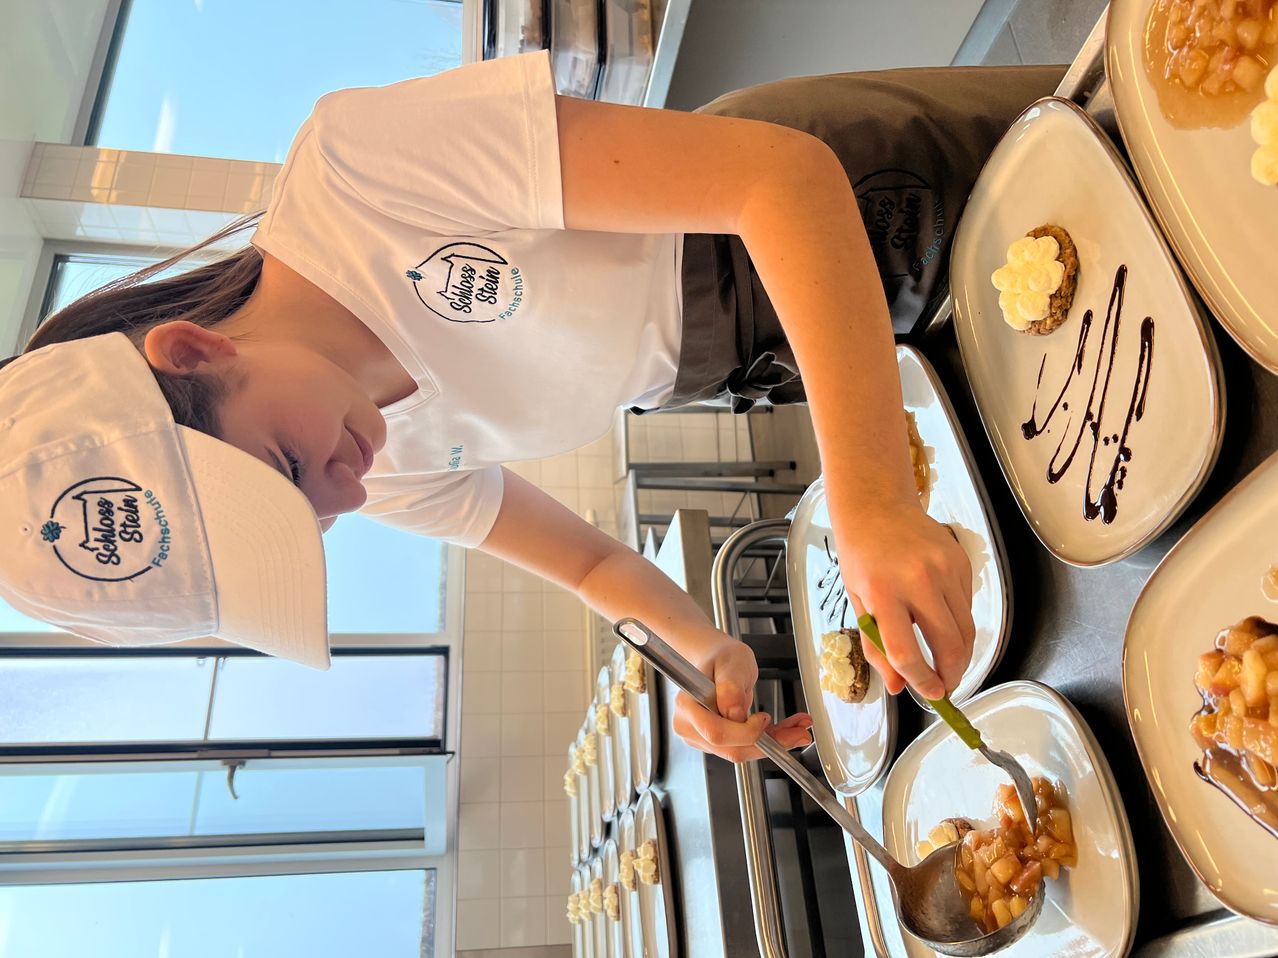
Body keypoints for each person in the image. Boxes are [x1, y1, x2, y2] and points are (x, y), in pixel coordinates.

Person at [0, 52, 1064, 763]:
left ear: (193, 346)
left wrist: (871, 494)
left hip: (827, 210)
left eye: (285, 468)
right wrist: (708, 651)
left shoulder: (356, 176)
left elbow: (775, 184)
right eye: (307, 526)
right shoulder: (388, 472)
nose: (345, 488)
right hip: (759, 356)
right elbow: (597, 569)